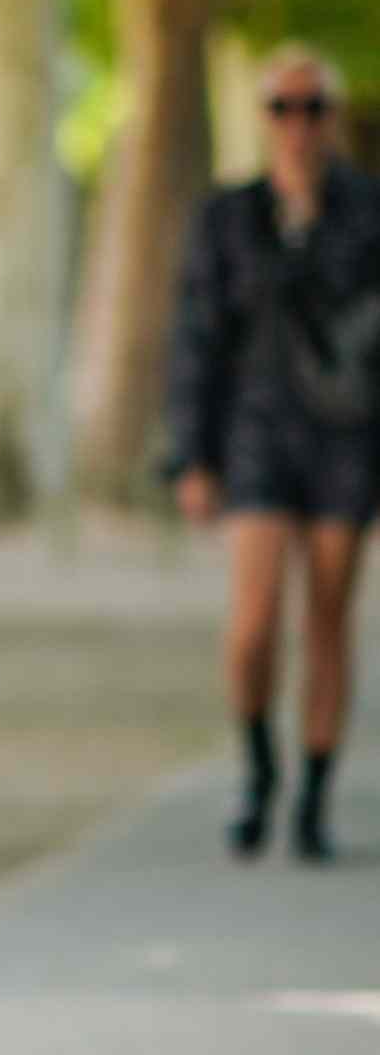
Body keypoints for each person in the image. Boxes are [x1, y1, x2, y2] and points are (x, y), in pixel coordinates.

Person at [165, 42, 380, 861]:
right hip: (254, 430)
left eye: (313, 107)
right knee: (255, 621)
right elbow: (195, 338)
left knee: (329, 613)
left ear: (333, 119)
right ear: (262, 119)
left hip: (346, 435)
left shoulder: (365, 211)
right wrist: (191, 453)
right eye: (282, 107)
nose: (298, 124)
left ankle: (315, 795)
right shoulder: (228, 217)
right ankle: (258, 768)